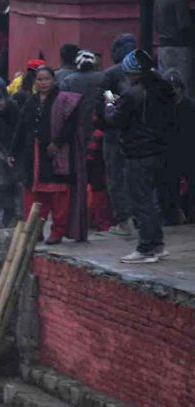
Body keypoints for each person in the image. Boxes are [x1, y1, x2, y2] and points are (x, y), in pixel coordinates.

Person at [104, 49, 174, 263]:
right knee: (151, 200)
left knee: (140, 200)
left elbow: (115, 120)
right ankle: (157, 243)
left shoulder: (134, 94)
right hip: (158, 150)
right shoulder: (162, 88)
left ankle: (146, 247)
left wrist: (108, 103)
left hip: (138, 152)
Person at [11, 65, 87, 245]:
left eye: (47, 79)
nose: (43, 83)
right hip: (33, 155)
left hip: (56, 155)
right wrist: (13, 151)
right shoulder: (31, 101)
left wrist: (57, 143)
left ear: (54, 80)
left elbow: (71, 126)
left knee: (59, 195)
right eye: (40, 79)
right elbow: (22, 127)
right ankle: (35, 231)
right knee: (34, 196)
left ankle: (57, 231)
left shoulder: (65, 100)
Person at [101, 34, 137, 235]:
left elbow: (106, 100)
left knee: (115, 176)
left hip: (115, 133)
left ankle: (124, 221)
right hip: (141, 134)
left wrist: (111, 106)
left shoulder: (111, 74)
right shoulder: (149, 73)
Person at [160, 72, 195, 225]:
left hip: (189, 149)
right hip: (169, 150)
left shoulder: (190, 106)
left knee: (192, 183)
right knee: (170, 184)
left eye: (175, 87)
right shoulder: (163, 108)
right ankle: (174, 214)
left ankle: (190, 212)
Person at [154, 0, 193, 95]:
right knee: (184, 87)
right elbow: (184, 25)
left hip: (163, 47)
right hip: (179, 48)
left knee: (166, 87)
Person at [60, 49, 105, 144]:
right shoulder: (103, 78)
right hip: (98, 124)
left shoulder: (68, 80)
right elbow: (110, 99)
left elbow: (62, 104)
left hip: (75, 125)